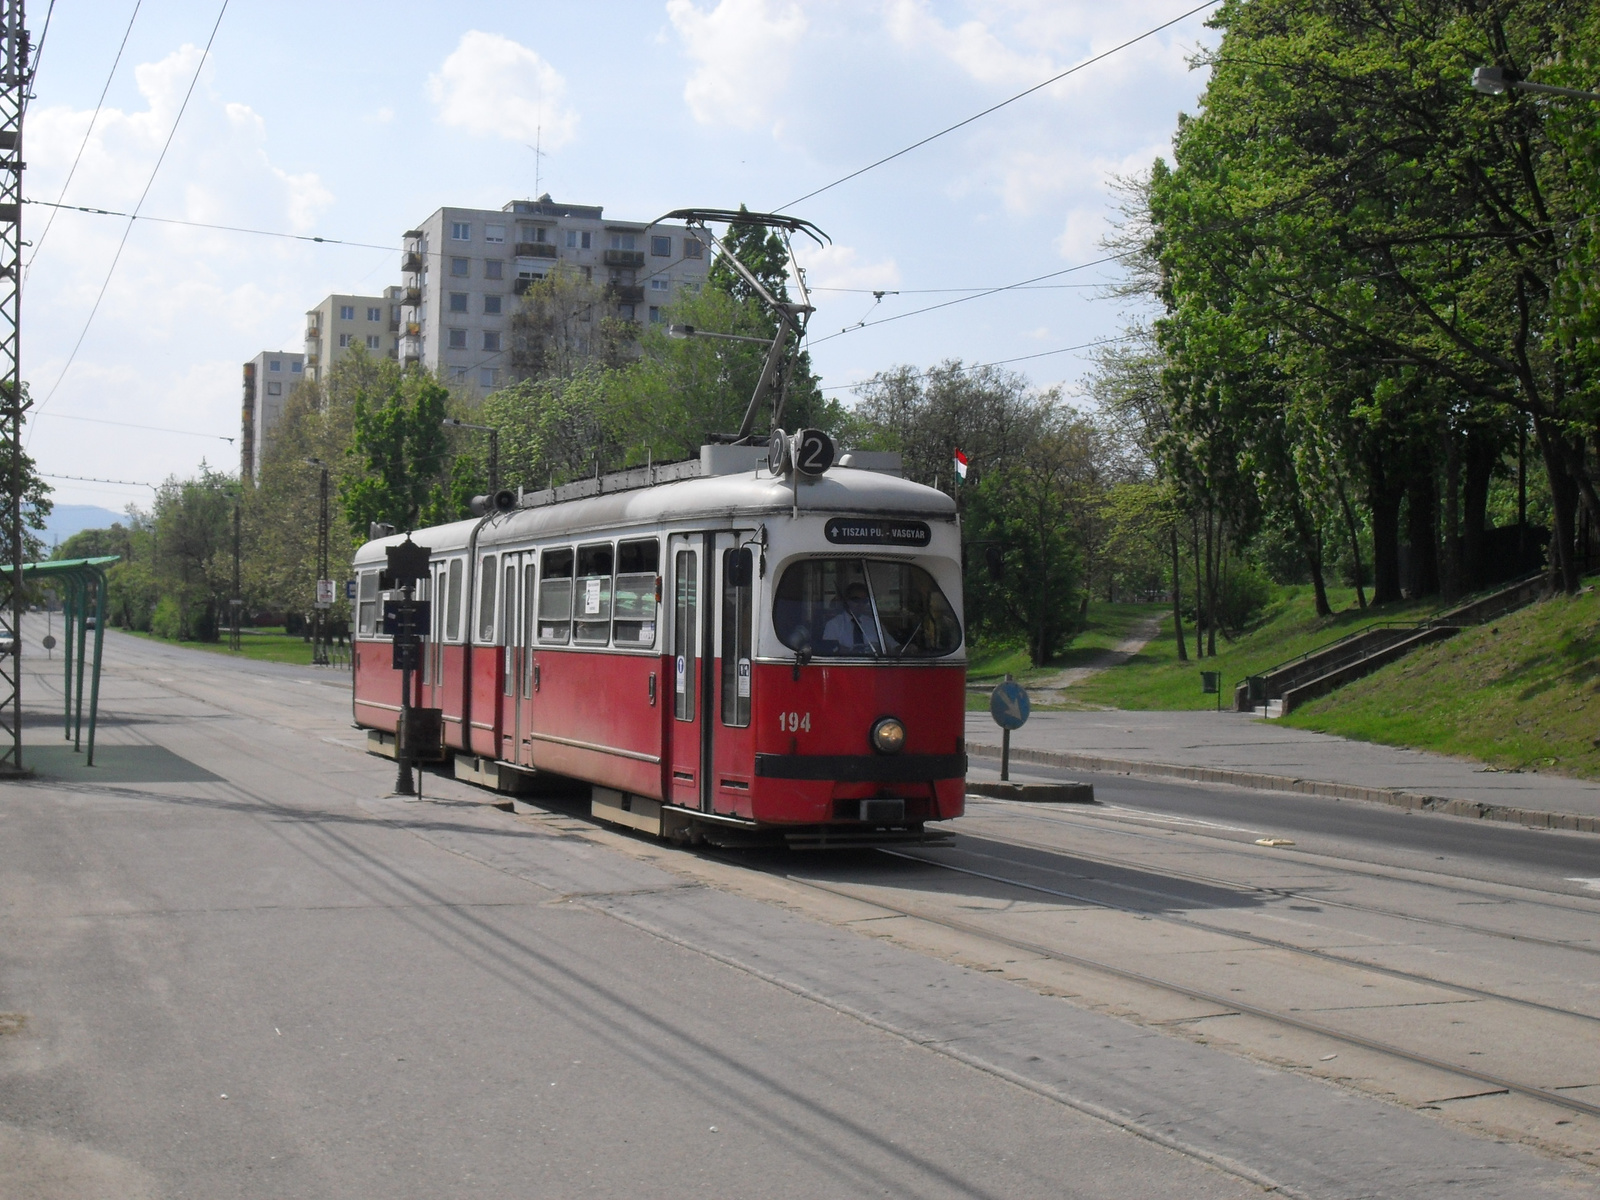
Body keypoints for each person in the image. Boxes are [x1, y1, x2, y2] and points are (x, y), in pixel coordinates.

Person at [822, 581, 884, 654]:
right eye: (856, 600)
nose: (860, 604)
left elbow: (893, 646)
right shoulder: (833, 625)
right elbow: (828, 650)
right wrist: (848, 651)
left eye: (864, 601)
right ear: (847, 600)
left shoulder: (875, 624)